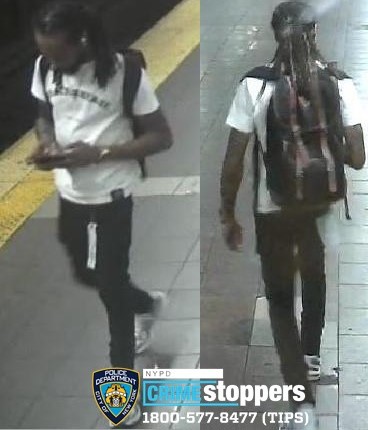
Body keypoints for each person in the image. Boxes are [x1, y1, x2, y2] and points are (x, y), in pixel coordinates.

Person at [220, 2, 365, 429]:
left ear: (273, 34)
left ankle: (300, 399)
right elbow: (357, 158)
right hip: (320, 206)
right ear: (314, 32)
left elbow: (232, 161)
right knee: (315, 279)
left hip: (273, 207)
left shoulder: (255, 85)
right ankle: (313, 359)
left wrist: (227, 214)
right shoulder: (339, 83)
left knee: (280, 301)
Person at [29, 1, 172, 427]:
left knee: (111, 292)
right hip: (70, 193)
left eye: (60, 55)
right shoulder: (43, 67)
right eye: (46, 55)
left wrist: (102, 153)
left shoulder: (125, 75)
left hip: (112, 196)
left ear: (83, 41)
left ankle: (122, 398)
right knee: (87, 275)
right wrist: (48, 143)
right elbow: (42, 116)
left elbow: (162, 136)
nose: (53, 64)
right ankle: (148, 302)